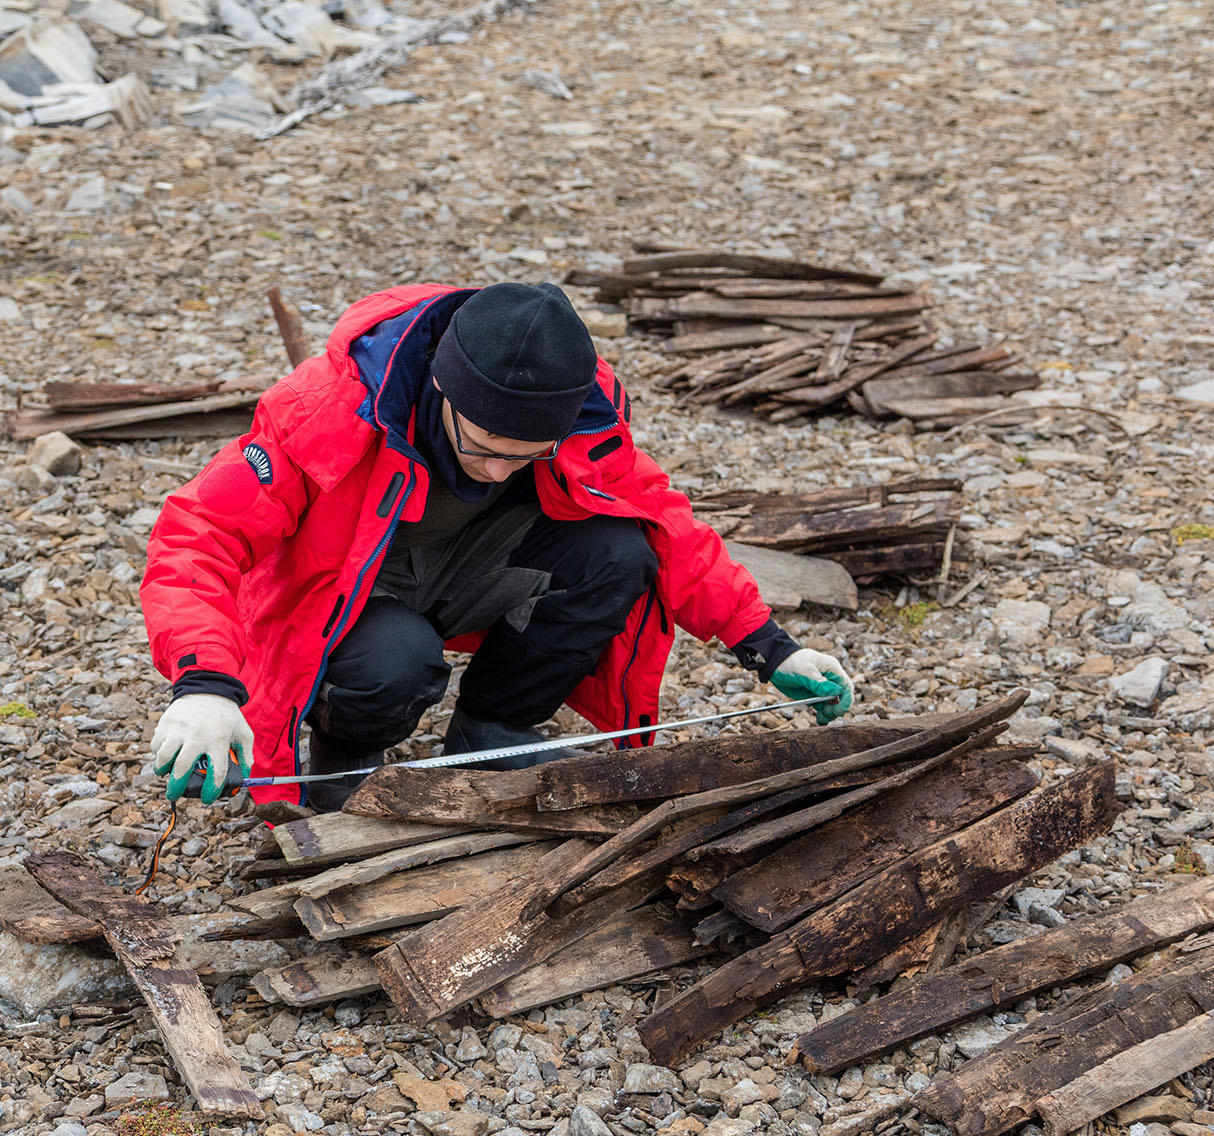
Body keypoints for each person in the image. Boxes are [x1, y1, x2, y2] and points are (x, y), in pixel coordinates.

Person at [140, 282, 855, 811]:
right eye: (481, 448)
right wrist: (205, 685)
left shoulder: (582, 415)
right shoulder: (329, 408)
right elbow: (195, 535)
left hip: (468, 569)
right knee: (397, 663)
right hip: (349, 595)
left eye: (526, 455)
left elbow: (671, 527)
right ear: (444, 393)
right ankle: (345, 750)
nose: (499, 470)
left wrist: (769, 645)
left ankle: (491, 730)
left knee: (619, 549)